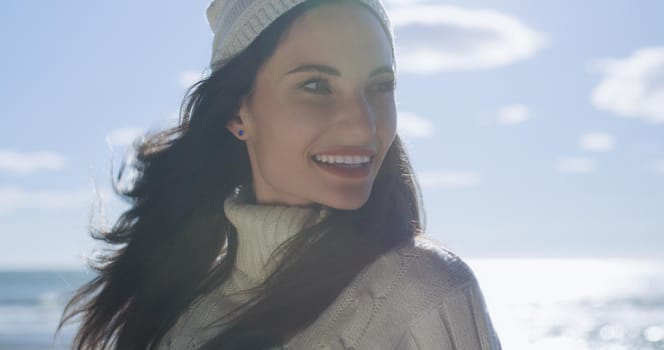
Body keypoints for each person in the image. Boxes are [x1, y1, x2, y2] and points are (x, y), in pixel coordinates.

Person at [59, 0, 502, 349]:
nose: (363, 125)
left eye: (380, 86)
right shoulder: (182, 311)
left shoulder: (425, 293)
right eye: (315, 85)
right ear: (238, 112)